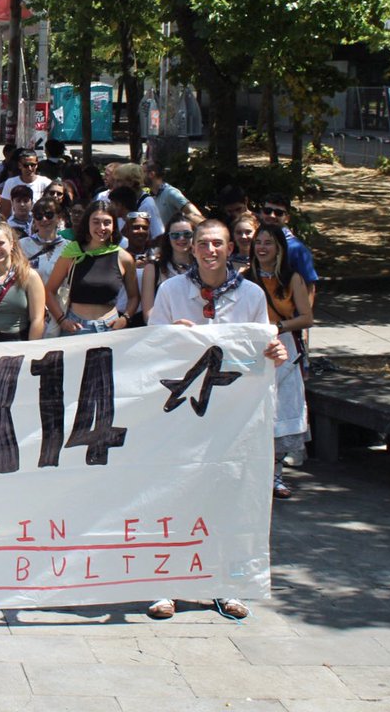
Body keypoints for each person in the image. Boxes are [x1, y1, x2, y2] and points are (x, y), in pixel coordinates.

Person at [146, 219, 287, 622]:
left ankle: (224, 583)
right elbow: (151, 348)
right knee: (175, 493)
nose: (210, 250)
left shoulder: (251, 295)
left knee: (228, 495)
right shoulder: (173, 291)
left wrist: (273, 352)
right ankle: (165, 583)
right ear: (192, 249)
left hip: (231, 414)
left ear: (230, 249)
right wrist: (174, 334)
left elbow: (260, 347)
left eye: (218, 244)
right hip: (183, 412)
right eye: (203, 243)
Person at [246, 224, 313, 498]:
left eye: (268, 243)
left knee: (282, 408)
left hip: (284, 346)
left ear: (279, 249)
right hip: (252, 348)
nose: (262, 247)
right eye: (258, 242)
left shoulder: (291, 278)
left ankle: (275, 476)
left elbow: (306, 318)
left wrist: (279, 327)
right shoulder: (243, 277)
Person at [45, 201, 138, 335]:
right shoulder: (72, 253)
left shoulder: (124, 258)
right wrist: (62, 320)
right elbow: (49, 291)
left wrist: (125, 318)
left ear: (114, 225)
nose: (101, 227)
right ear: (87, 223)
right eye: (96, 222)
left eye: (107, 222)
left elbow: (134, 296)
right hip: (76, 328)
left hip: (111, 328)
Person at [259, 192, 319, 305]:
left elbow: (309, 286)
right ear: (261, 213)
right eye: (267, 211)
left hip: (289, 317)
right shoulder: (256, 243)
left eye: (278, 213)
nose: (272, 215)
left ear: (287, 218)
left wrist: (304, 317)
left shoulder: (296, 248)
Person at [20, 200, 66, 334]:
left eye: (49, 215)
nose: (44, 219)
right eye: (39, 216)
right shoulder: (22, 245)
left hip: (60, 311)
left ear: (59, 217)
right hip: (30, 311)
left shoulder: (69, 247)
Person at [142, 219, 195, 322]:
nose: (181, 238)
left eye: (187, 234)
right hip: (166, 331)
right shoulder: (153, 268)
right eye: (175, 235)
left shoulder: (203, 267)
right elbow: (148, 314)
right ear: (168, 238)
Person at [146, 160, 205, 227]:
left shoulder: (171, 193)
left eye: (142, 172)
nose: (140, 176)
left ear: (151, 174)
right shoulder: (152, 197)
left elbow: (198, 217)